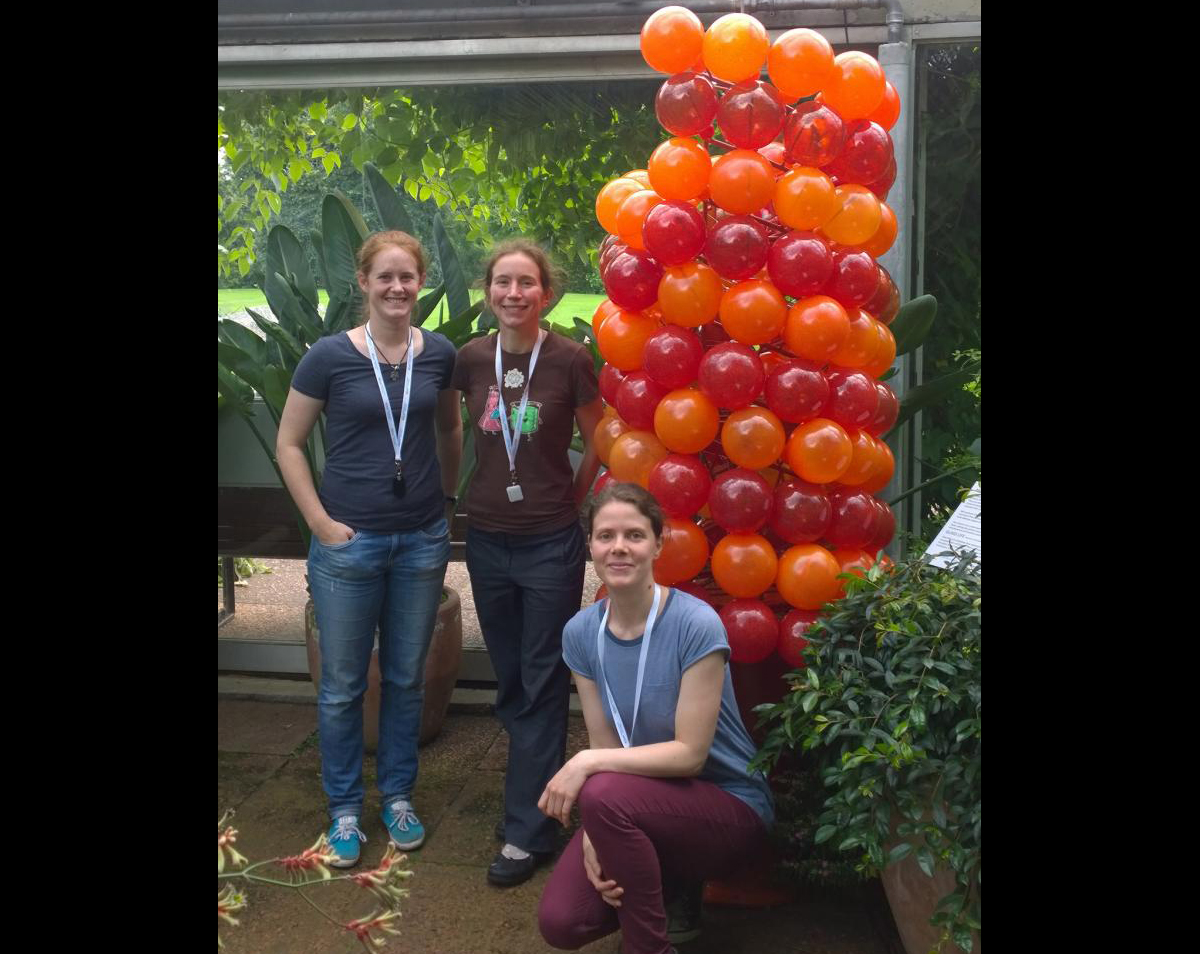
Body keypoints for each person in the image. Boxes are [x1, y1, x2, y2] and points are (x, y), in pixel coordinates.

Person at [276, 230, 462, 868]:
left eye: (407, 276)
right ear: (363, 283)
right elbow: (289, 444)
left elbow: (450, 427)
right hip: (348, 544)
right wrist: (321, 524)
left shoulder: (437, 354)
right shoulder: (328, 357)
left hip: (420, 542)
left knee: (407, 680)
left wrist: (445, 504)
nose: (397, 287)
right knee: (343, 687)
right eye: (384, 276)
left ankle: (400, 797)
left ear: (420, 282)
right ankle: (346, 811)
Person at [536, 483, 774, 954]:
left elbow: (689, 755)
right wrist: (595, 834)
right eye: (605, 536)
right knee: (563, 923)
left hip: (728, 805)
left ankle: (648, 947)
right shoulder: (581, 633)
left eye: (634, 535)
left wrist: (584, 769)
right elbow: (607, 749)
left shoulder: (695, 622)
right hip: (634, 803)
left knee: (601, 788)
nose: (619, 547)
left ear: (658, 543)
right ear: (590, 545)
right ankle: (665, 881)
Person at [451, 239, 604, 887]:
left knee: (542, 676)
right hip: (487, 538)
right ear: (489, 291)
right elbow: (449, 430)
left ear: (547, 292)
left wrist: (572, 500)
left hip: (548, 543)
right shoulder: (469, 359)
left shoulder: (570, 360)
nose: (514, 293)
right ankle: (532, 794)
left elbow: (601, 440)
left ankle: (528, 831)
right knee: (512, 677)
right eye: (502, 283)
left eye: (526, 283)